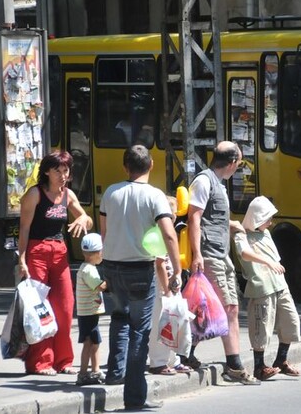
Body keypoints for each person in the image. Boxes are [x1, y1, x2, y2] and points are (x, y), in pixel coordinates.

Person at [99, 145, 182, 410]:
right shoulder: (155, 195)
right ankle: (134, 397)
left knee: (120, 319)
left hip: (112, 266)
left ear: (125, 167)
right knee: (139, 331)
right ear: (152, 165)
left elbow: (104, 232)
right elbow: (169, 235)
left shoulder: (111, 192)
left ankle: (115, 372)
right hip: (139, 269)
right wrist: (177, 269)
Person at [187, 140, 259, 385]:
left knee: (208, 309)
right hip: (210, 254)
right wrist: (197, 254)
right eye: (238, 163)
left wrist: (229, 224)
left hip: (221, 253)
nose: (238, 167)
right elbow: (194, 218)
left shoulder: (216, 183)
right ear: (232, 163)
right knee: (229, 308)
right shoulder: (204, 181)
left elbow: (209, 215)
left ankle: (185, 353)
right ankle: (234, 365)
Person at [18, 150, 93, 376]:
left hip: (60, 252)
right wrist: (22, 259)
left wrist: (82, 218)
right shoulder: (35, 194)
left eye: (66, 170)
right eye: (57, 171)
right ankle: (41, 362)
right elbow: (24, 228)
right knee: (40, 308)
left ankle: (63, 360)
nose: (63, 175)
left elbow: (86, 218)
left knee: (65, 306)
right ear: (47, 172)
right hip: (37, 250)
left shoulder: (67, 195)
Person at [234, 196, 301, 381]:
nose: (271, 223)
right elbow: (245, 254)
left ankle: (281, 360)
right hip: (261, 287)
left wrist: (273, 265)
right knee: (261, 326)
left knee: (290, 321)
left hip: (279, 284)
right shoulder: (242, 235)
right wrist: (268, 262)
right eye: (267, 218)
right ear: (257, 217)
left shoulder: (266, 233)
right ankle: (259, 367)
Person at [148, 196, 193, 375]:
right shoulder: (161, 233)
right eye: (171, 211)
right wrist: (166, 290)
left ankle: (173, 360)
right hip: (162, 287)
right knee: (162, 322)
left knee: (175, 321)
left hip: (169, 285)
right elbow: (159, 264)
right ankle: (158, 362)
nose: (174, 215)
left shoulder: (169, 232)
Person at [75, 233, 107, 386]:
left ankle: (95, 370)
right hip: (88, 313)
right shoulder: (89, 270)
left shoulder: (86, 267)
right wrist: (113, 281)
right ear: (97, 253)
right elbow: (100, 286)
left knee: (94, 342)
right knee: (89, 342)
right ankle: (83, 373)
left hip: (89, 312)